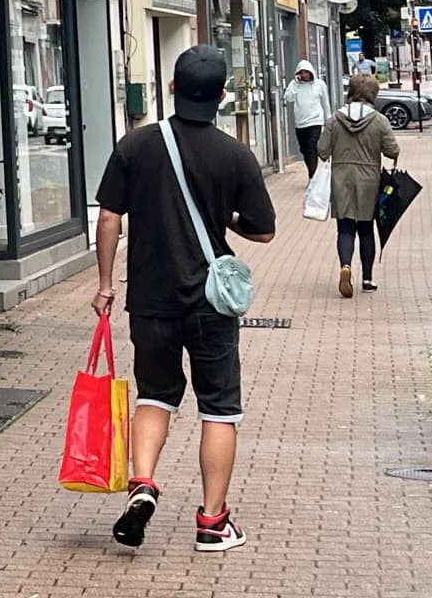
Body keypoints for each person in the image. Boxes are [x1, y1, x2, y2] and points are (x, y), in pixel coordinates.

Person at [93, 46, 277, 554]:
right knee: (219, 409)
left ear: (172, 87)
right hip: (210, 304)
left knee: (155, 396)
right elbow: (263, 232)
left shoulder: (135, 146)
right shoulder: (235, 155)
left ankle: (144, 485)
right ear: (221, 95)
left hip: (149, 298)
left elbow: (109, 218)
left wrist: (106, 286)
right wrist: (225, 220)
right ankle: (213, 523)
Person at [318, 73, 399, 297]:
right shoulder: (380, 121)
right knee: (365, 229)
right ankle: (368, 278)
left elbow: (322, 151)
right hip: (369, 179)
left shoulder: (334, 119)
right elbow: (392, 150)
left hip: (341, 177)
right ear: (373, 93)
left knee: (345, 228)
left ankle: (346, 266)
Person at [282, 60, 330, 178]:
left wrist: (328, 118)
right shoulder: (294, 84)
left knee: (311, 147)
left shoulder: (320, 85)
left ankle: (312, 176)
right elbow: (289, 98)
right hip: (300, 123)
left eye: (306, 72)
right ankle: (311, 170)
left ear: (310, 72)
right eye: (301, 72)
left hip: (315, 121)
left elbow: (325, 103)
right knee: (304, 149)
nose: (304, 75)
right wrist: (296, 84)